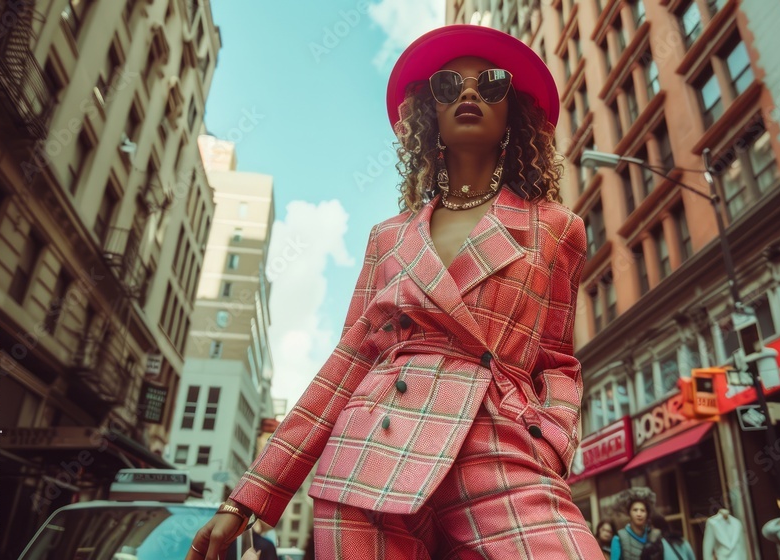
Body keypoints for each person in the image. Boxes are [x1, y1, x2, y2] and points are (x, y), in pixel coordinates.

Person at [186, 24, 601, 559]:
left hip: (501, 449)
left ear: (513, 116)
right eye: (449, 86)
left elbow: (558, 361)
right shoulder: (387, 237)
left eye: (492, 83)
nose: (469, 93)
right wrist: (245, 500)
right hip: (370, 455)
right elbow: (347, 364)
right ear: (430, 117)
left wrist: (552, 440)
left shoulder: (556, 228)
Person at [612, 495, 662, 560]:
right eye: (635, 510)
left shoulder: (654, 535)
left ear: (647, 514)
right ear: (629, 513)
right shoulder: (618, 537)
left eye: (642, 510)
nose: (639, 514)